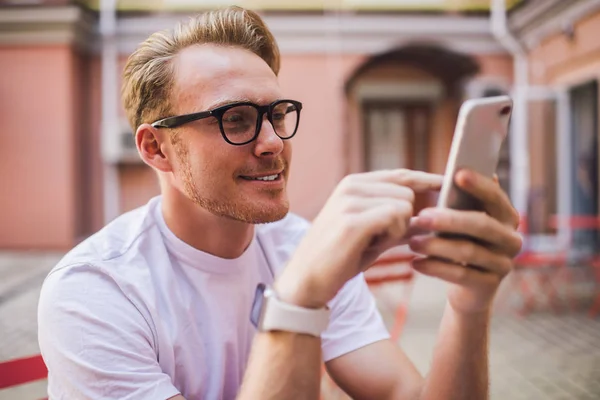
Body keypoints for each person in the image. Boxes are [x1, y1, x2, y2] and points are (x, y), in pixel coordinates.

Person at [37, 6, 522, 400]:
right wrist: (297, 301)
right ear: (155, 148)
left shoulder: (301, 247)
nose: (273, 142)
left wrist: (468, 303)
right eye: (238, 118)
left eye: (278, 113)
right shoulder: (95, 292)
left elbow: (405, 393)